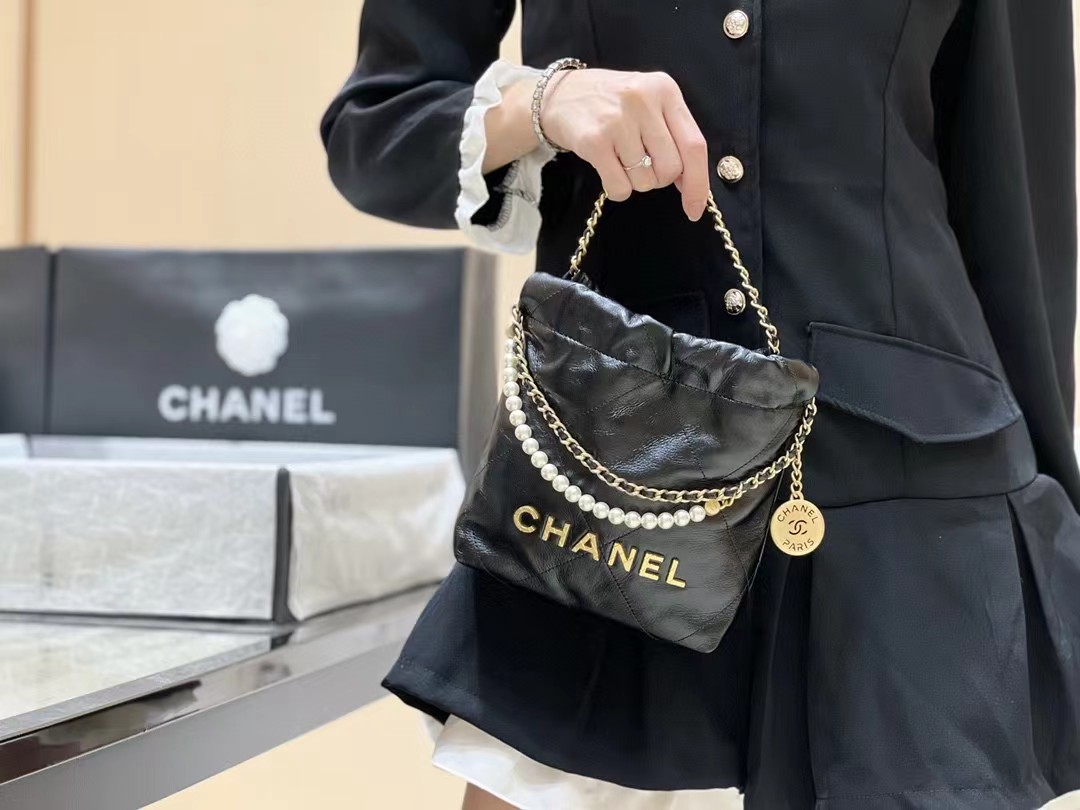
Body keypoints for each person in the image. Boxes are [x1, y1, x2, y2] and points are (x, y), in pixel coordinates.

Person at [320, 1, 1080, 807]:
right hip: (612, 501)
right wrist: (546, 103)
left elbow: (1019, 208)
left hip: (912, 505)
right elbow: (375, 130)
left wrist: (1049, 523)